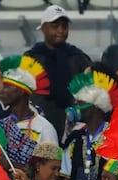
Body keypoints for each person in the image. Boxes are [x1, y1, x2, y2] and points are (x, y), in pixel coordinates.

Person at [61, 70, 118, 180]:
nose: (75, 109)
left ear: (95, 107)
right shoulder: (74, 138)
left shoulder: (117, 136)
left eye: (80, 104)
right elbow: (66, 178)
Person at [24, 4, 92, 139]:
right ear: (43, 28)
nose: (61, 30)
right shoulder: (30, 58)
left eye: (64, 26)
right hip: (37, 129)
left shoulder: (78, 58)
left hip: (71, 129)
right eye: (55, 26)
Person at [0, 56, 58, 168]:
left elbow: (50, 169)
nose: (2, 91)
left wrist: (9, 165)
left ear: (21, 91)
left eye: (7, 86)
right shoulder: (2, 125)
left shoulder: (44, 128)